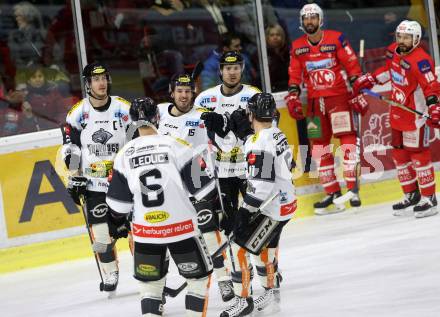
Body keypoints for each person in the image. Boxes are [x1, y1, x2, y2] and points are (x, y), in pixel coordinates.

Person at [106, 98, 215, 317]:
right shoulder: (176, 145)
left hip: (146, 234)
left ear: (132, 120)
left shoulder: (123, 155)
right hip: (182, 229)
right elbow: (205, 191)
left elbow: (118, 206)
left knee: (150, 288)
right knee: (197, 280)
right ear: (157, 117)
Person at [157, 73, 235, 302]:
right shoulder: (159, 113)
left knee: (210, 232)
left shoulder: (204, 115)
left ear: (193, 93)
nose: (183, 95)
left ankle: (224, 281)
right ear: (172, 93)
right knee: (165, 237)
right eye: (179, 91)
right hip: (169, 183)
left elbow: (227, 141)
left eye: (188, 91)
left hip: (197, 178)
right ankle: (159, 286)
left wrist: (222, 127)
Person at [218, 92, 296, 316]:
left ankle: (243, 300)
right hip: (285, 202)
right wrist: (247, 137)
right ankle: (270, 290)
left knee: (237, 248)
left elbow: (261, 186)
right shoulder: (275, 133)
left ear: (251, 114)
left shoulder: (259, 143)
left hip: (272, 207)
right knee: (263, 246)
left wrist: (244, 213)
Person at [353, 20, 440, 218]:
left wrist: (434, 107)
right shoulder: (393, 51)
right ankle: (411, 194)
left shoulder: (421, 60)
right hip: (397, 112)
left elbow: (431, 87)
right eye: (399, 36)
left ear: (416, 39)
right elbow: (389, 71)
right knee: (400, 156)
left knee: (419, 156)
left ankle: (429, 198)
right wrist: (370, 79)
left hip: (414, 116)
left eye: (407, 37)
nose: (402, 40)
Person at [285, 3, 365, 215]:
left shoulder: (336, 39)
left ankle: (352, 189)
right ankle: (333, 193)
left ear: (320, 20)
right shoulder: (297, 47)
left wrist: (358, 87)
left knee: (347, 142)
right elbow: (294, 76)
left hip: (338, 100)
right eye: (306, 18)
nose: (309, 21)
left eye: (313, 18)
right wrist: (292, 96)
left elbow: (352, 66)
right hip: (314, 105)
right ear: (301, 23)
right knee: (319, 149)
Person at [60, 62, 132, 292]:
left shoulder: (123, 108)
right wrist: (74, 176)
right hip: (95, 183)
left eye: (104, 78)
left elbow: (136, 140)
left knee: (137, 229)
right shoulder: (77, 113)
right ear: (88, 84)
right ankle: (110, 274)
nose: (101, 83)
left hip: (124, 182)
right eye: (95, 79)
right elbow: (71, 148)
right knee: (100, 234)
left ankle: (146, 269)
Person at [195, 51, 260, 219]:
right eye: (228, 68)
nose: (232, 72)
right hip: (220, 170)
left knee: (255, 218)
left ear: (242, 69)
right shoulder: (204, 99)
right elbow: (196, 133)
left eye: (236, 68)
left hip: (247, 167)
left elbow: (265, 130)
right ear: (220, 70)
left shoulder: (253, 95)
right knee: (228, 220)